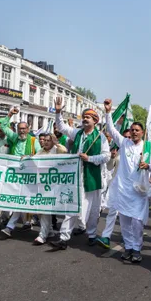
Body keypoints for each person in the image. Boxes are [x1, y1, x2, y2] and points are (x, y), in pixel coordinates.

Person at [49, 98, 110, 250]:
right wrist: (58, 112)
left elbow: (106, 156)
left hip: (93, 178)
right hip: (76, 177)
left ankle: (91, 234)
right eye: (83, 117)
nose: (84, 119)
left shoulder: (100, 137)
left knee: (93, 210)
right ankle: (63, 238)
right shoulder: (77, 133)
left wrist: (89, 158)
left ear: (95, 121)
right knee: (72, 206)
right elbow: (62, 127)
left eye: (87, 117)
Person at [104, 99, 151, 263]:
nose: (134, 132)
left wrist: (147, 165)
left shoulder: (148, 147)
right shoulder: (124, 142)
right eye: (132, 130)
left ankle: (137, 247)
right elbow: (111, 130)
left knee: (137, 222)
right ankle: (129, 248)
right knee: (125, 222)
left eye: (137, 130)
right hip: (123, 189)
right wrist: (107, 112)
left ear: (142, 132)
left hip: (139, 191)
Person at [0, 108, 42, 237]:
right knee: (18, 200)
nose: (22, 131)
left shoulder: (34, 141)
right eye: (20, 129)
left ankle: (16, 225)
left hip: (28, 175)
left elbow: (38, 155)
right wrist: (10, 114)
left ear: (28, 129)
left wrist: (27, 157)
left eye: (24, 128)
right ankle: (17, 224)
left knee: (24, 200)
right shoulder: (14, 138)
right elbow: (3, 126)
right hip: (14, 174)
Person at [96, 129, 130, 249]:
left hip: (130, 189)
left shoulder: (139, 152)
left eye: (129, 137)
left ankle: (130, 240)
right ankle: (106, 237)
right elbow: (110, 167)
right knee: (112, 213)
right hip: (117, 187)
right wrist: (112, 157)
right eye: (125, 137)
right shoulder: (119, 151)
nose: (127, 139)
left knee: (127, 216)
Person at [33, 133, 68, 245]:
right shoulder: (41, 152)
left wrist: (57, 143)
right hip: (43, 185)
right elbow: (33, 160)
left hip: (55, 185)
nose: (46, 142)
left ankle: (42, 235)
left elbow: (65, 151)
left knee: (45, 209)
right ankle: (48, 232)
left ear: (52, 141)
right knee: (42, 210)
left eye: (49, 140)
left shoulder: (56, 150)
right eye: (45, 140)